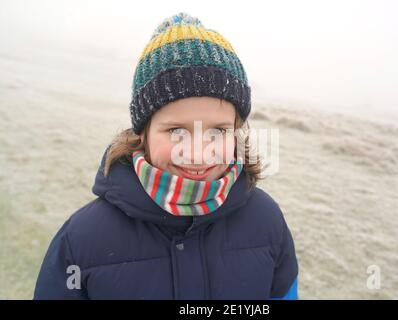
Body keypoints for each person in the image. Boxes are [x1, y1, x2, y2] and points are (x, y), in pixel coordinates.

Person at [34, 12, 299, 300]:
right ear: (143, 133)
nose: (198, 154)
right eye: (175, 130)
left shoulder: (267, 220)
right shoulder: (81, 239)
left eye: (218, 131)